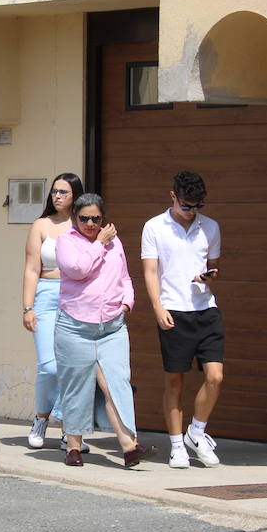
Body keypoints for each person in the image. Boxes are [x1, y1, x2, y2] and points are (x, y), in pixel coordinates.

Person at [55, 193, 157, 469]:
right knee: (77, 387)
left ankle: (129, 446)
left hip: (112, 326)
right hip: (75, 326)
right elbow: (78, 270)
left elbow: (124, 275)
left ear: (103, 218)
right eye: (84, 218)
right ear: (75, 218)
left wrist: (127, 302)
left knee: (117, 384)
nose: (90, 223)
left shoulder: (115, 243)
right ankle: (74, 446)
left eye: (96, 219)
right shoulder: (67, 241)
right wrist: (100, 243)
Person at [142, 171, 225, 469]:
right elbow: (150, 271)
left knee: (215, 376)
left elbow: (214, 266)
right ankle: (177, 445)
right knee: (175, 381)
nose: (192, 212)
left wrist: (207, 276)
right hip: (173, 311)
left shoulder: (210, 227)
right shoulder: (154, 227)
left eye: (197, 206)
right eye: (186, 206)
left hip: (205, 309)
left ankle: (196, 433)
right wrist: (157, 307)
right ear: (173, 197)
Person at [20, 173, 84, 451]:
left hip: (76, 296)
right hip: (46, 295)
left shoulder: (84, 223)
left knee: (73, 366)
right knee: (49, 365)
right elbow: (32, 268)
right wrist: (27, 307)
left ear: (75, 196)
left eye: (64, 192)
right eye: (55, 192)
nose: (57, 196)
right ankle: (41, 417)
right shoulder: (41, 225)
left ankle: (68, 429)